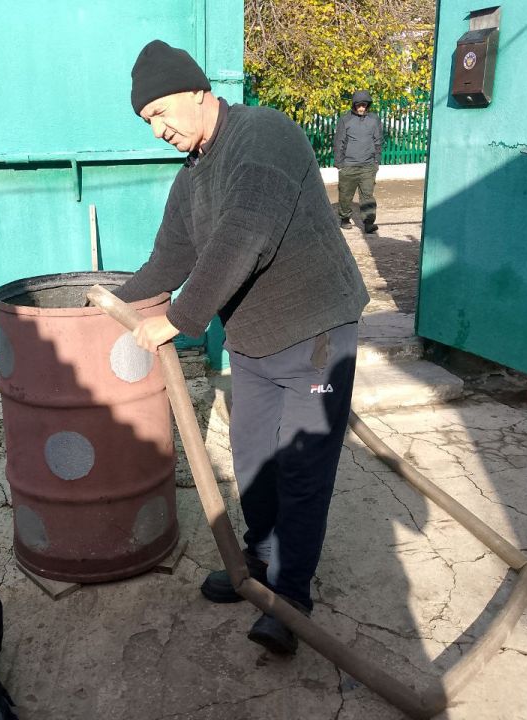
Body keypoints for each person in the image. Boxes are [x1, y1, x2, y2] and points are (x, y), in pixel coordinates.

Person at [113, 40, 370, 656]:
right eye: (148, 122)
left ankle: (292, 601)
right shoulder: (191, 177)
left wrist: (177, 319)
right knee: (254, 460)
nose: (160, 130)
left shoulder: (263, 135)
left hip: (316, 335)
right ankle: (258, 563)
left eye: (162, 113)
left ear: (201, 93)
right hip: (253, 342)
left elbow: (244, 235)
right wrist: (107, 304)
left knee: (303, 471)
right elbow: (170, 258)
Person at [334, 90, 383, 234]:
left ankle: (368, 223)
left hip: (368, 166)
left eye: (364, 105)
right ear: (354, 105)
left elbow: (378, 141)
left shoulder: (374, 119)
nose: (361, 108)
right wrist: (339, 165)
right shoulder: (345, 120)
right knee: (345, 195)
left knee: (367, 196)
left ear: (368, 105)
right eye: (359, 105)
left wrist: (376, 162)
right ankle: (344, 219)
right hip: (348, 166)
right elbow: (339, 142)